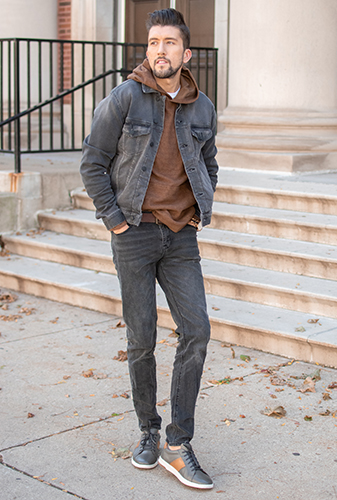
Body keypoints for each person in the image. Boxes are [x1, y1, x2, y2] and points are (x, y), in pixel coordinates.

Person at [80, 8, 218, 490]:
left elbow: (209, 161)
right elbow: (93, 162)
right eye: (154, 42)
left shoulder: (202, 107)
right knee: (142, 341)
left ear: (186, 53)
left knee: (197, 331)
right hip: (134, 234)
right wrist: (114, 220)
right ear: (148, 49)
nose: (160, 50)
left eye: (170, 43)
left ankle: (178, 444)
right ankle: (148, 432)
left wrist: (203, 206)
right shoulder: (123, 98)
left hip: (181, 236)